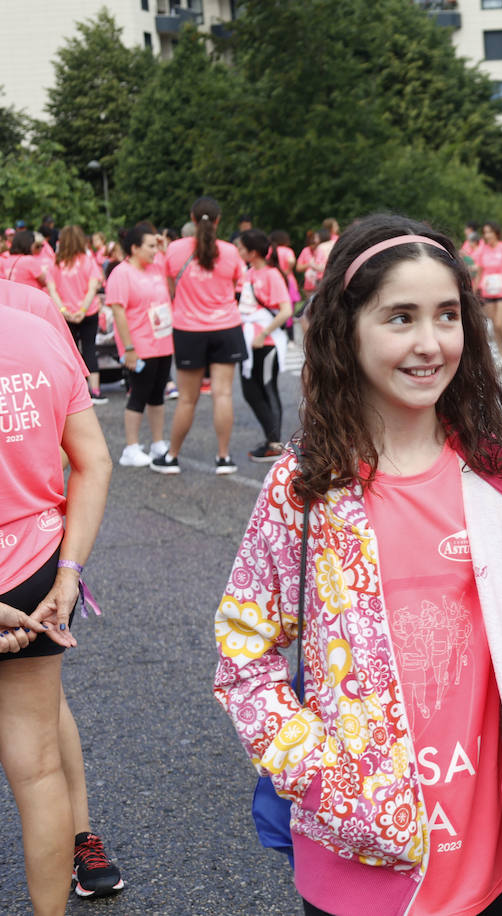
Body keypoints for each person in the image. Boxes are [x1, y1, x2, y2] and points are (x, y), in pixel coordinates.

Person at [213, 214, 502, 916]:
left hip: (478, 861)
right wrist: (326, 779)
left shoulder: (500, 477)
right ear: (348, 328)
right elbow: (243, 655)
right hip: (354, 865)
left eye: (446, 316)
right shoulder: (304, 487)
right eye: (400, 318)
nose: (429, 344)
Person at [0, 293, 121, 913]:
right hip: (37, 574)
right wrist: (68, 577)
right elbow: (94, 462)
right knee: (38, 768)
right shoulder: (37, 324)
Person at [151, 195, 247, 475]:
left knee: (187, 399)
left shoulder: (176, 250)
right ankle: (224, 458)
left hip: (189, 330)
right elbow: (234, 285)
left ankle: (172, 457)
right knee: (223, 395)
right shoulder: (230, 252)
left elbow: (171, 288)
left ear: (192, 219)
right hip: (226, 327)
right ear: (218, 221)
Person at [105, 225, 174, 467]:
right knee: (139, 395)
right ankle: (131, 448)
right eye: (151, 246)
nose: (155, 250)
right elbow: (119, 313)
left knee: (158, 396)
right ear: (134, 248)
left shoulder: (157, 266)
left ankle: (157, 443)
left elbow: (172, 277)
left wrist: (163, 249)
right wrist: (129, 348)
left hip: (163, 342)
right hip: (140, 346)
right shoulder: (121, 273)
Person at [238, 229, 293, 462]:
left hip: (267, 343)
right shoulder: (248, 273)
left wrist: (264, 334)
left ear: (252, 252)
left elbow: (286, 311)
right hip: (248, 341)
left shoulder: (272, 275)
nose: (238, 251)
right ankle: (272, 439)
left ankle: (275, 443)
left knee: (267, 388)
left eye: (241, 248)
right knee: (250, 391)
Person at [44, 225, 106, 404]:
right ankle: (95, 391)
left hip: (65, 315)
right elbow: (93, 287)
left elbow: (52, 290)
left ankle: (74, 393)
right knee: (89, 349)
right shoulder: (88, 261)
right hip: (88, 312)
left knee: (70, 353)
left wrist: (64, 311)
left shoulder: (56, 262)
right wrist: (82, 311)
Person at [473, 221, 502, 368]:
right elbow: (480, 272)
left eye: (490, 232)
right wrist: (473, 291)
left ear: (496, 233)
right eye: (485, 232)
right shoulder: (483, 250)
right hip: (487, 292)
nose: (487, 235)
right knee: (494, 326)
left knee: (499, 323)